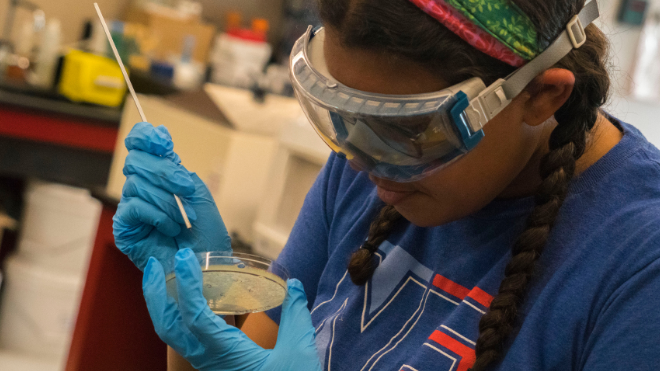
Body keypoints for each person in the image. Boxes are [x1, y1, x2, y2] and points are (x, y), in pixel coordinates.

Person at [112, 0, 660, 370]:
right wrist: (204, 303)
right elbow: (252, 354)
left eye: (406, 130)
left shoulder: (638, 266)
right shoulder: (372, 176)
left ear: (542, 96)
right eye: (342, 112)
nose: (360, 162)